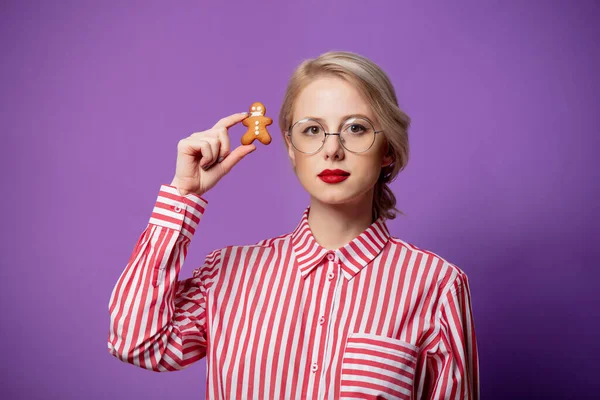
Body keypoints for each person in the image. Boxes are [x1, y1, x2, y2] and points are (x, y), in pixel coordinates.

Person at [107, 50, 480, 399]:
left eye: (356, 128)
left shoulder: (437, 285)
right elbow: (137, 343)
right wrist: (183, 195)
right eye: (313, 130)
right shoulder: (225, 274)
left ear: (388, 150)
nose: (332, 149)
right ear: (290, 144)